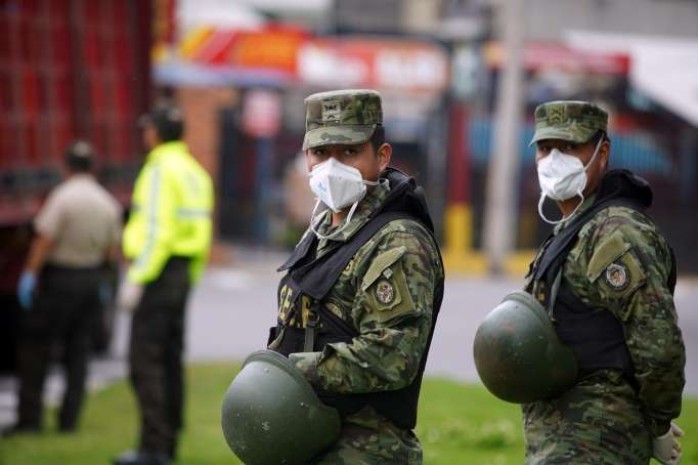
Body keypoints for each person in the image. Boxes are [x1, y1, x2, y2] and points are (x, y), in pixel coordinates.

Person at [267, 89, 445, 464]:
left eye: (349, 153)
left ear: (381, 157)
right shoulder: (322, 229)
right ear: (307, 158)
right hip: (307, 440)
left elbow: (394, 355)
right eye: (322, 153)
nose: (333, 167)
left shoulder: (397, 240)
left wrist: (290, 369)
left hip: (365, 450)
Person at [522, 100, 686, 464]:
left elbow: (658, 342)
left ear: (602, 151)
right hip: (562, 437)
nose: (554, 160)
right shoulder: (574, 227)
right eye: (546, 148)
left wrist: (658, 423)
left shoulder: (615, 232)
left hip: (597, 439)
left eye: (569, 147)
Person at [114, 103, 214, 465]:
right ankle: (166, 444)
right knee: (170, 362)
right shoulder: (194, 173)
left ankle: (152, 449)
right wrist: (192, 277)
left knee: (145, 363)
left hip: (157, 274)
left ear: (155, 133)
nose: (145, 135)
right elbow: (201, 233)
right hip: (181, 273)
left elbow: (158, 229)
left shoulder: (159, 169)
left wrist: (138, 278)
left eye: (147, 129)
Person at [6, 140, 122, 435]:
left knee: (37, 349)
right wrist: (104, 282)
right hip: (90, 279)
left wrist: (29, 275)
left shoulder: (62, 198)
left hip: (60, 279)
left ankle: (29, 420)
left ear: (66, 166)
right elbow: (112, 251)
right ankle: (69, 421)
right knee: (78, 352)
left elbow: (44, 239)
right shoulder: (107, 201)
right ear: (92, 166)